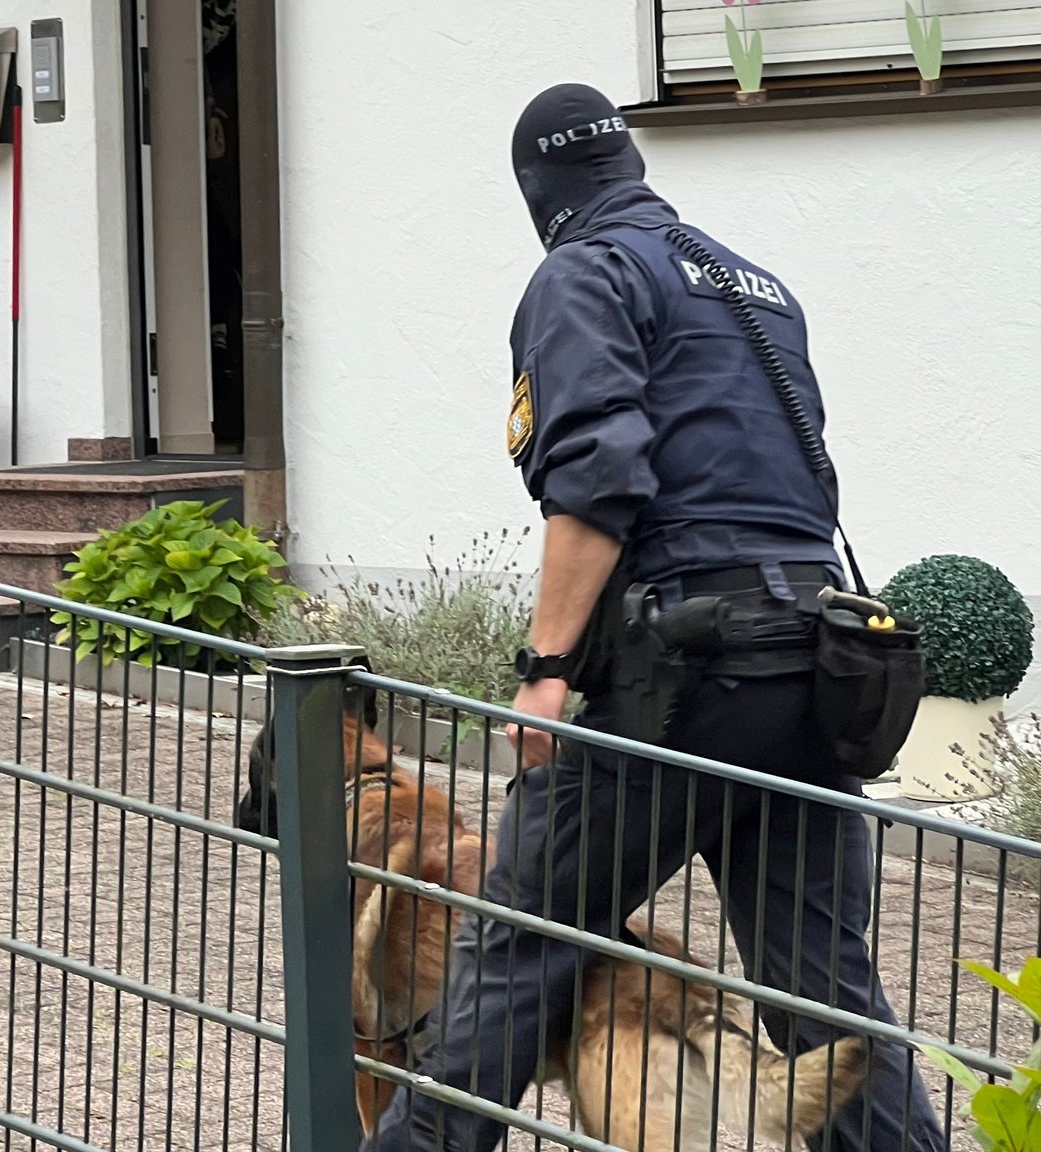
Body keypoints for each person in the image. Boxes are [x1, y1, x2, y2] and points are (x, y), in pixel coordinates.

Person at [358, 83, 948, 1152]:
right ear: (626, 165)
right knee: (819, 987)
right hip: (806, 667)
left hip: (684, 671)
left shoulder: (581, 272)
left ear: (537, 192)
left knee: (518, 938)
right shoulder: (756, 285)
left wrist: (544, 666)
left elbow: (596, 478)